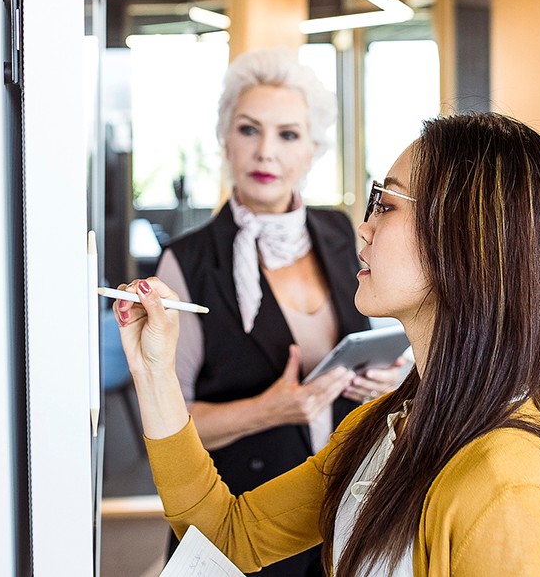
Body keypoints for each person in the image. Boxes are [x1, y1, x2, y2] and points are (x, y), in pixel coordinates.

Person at [113, 112, 540, 576]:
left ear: (466, 240)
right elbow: (227, 535)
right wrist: (153, 370)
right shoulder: (380, 427)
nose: (363, 227)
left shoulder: (507, 483)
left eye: (386, 206)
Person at [153, 48, 408, 576]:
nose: (266, 151)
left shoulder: (343, 233)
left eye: (288, 135)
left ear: (313, 149)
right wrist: (270, 410)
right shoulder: (189, 261)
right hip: (238, 515)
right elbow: (167, 419)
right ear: (225, 140)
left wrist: (386, 379)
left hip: (340, 508)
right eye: (249, 130)